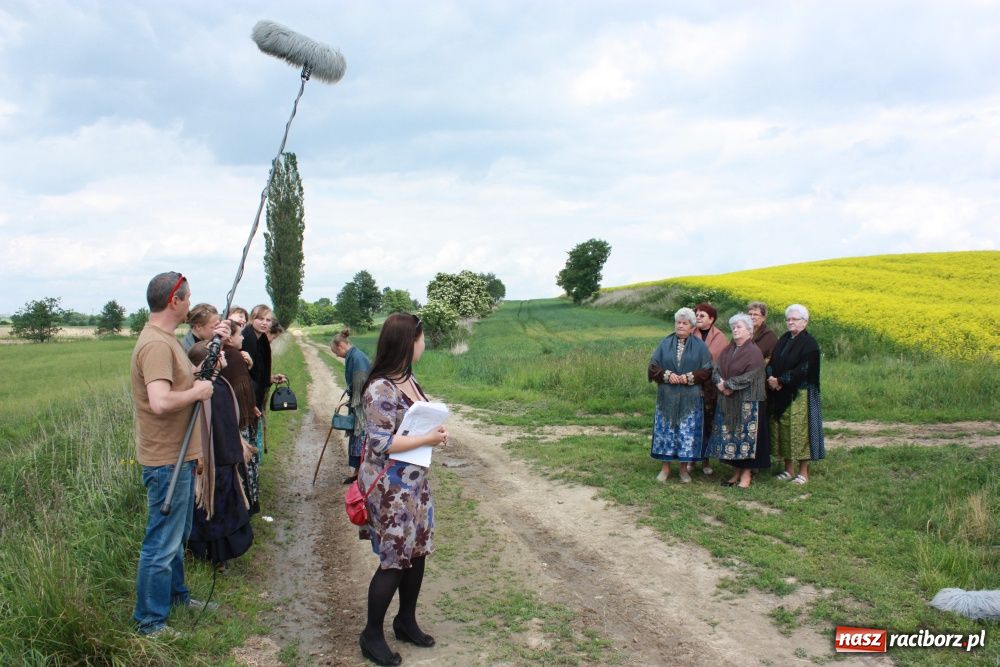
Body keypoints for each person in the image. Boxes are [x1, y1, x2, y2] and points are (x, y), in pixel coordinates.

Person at [130, 271, 219, 636]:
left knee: (176, 537)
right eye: (188, 297)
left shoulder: (166, 342)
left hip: (179, 457)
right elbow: (161, 401)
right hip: (166, 459)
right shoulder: (156, 345)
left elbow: (174, 385)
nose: (189, 303)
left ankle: (177, 597)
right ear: (175, 301)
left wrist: (199, 374)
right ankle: (150, 622)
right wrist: (198, 393)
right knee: (161, 544)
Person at [357, 313, 448, 666]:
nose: (424, 344)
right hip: (390, 487)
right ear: (409, 342)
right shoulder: (381, 387)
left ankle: (405, 620)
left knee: (418, 551)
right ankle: (371, 634)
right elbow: (380, 443)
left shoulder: (408, 379)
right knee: (395, 559)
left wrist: (434, 432)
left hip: (415, 481)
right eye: (421, 338)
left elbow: (415, 421)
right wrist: (429, 438)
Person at [186, 341, 254, 572]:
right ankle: (210, 556)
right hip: (211, 459)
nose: (224, 356)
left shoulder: (221, 383)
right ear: (207, 361)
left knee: (226, 507)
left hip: (228, 454)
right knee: (210, 509)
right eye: (219, 354)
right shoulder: (200, 389)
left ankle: (222, 555)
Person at [647, 308, 713, 483]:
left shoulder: (700, 346)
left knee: (687, 433)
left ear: (692, 327)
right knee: (666, 432)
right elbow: (653, 366)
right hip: (667, 396)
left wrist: (688, 377)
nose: (681, 326)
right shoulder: (664, 343)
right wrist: (667, 375)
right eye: (678, 322)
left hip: (690, 397)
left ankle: (684, 470)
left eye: (685, 323)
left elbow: (707, 370)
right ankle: (665, 468)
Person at [707, 314, 770, 488]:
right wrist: (720, 383)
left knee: (746, 440)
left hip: (748, 402)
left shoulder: (754, 351)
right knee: (732, 437)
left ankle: (747, 475)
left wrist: (728, 384)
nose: (735, 330)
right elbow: (716, 368)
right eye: (733, 327)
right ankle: (735, 472)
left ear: (749, 331)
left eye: (739, 327)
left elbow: (751, 376)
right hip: (728, 400)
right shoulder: (729, 349)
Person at [767, 304, 825, 484]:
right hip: (780, 391)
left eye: (795, 319)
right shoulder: (784, 338)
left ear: (805, 322)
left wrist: (781, 380)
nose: (790, 322)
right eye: (788, 319)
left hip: (801, 394)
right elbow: (772, 360)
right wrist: (771, 377)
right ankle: (788, 469)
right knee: (783, 429)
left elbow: (805, 369)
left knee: (800, 432)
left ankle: (803, 473)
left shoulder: (810, 344)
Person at [241, 304, 286, 458]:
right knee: (247, 442)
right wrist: (251, 402)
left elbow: (258, 372)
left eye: (268, 320)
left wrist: (270, 378)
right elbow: (244, 376)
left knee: (252, 438)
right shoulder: (247, 338)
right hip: (246, 402)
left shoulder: (260, 340)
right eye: (260, 318)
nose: (264, 323)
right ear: (252, 319)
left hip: (255, 398)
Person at [331, 327, 372, 484]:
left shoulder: (357, 357)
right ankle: (357, 470)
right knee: (356, 437)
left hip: (362, 405)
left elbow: (360, 382)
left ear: (341, 346)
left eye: (335, 352)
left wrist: (354, 400)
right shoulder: (352, 355)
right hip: (357, 403)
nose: (336, 355)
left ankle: (361, 472)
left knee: (361, 436)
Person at [694, 302, 729, 476]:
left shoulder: (721, 337)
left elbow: (723, 362)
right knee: (693, 423)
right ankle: (692, 458)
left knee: (708, 423)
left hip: (711, 388)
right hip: (692, 385)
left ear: (711, 319)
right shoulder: (690, 333)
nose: (698, 318)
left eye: (702, 315)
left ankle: (706, 460)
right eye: (697, 315)